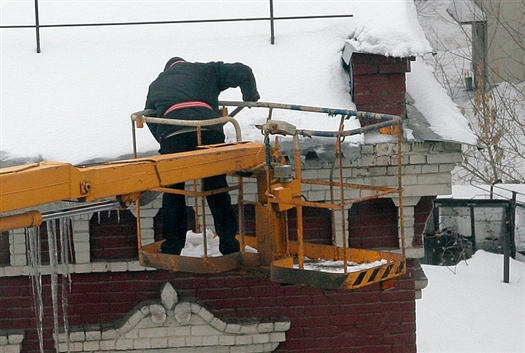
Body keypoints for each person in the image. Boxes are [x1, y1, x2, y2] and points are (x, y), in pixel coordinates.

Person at [144, 57, 260, 256]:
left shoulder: (157, 84)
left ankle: (172, 246)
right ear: (185, 63)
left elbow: (149, 118)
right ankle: (228, 243)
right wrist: (250, 95)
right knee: (217, 187)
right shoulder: (206, 70)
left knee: (174, 190)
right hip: (209, 131)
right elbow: (243, 70)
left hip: (174, 135)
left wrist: (165, 141)